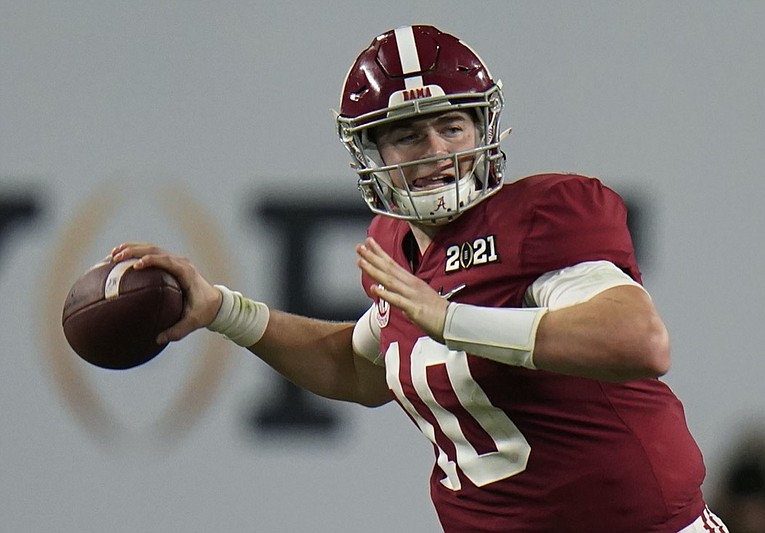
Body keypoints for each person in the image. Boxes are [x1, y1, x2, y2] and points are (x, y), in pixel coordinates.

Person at [111, 25, 728, 532]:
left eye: (452, 126)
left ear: (484, 131)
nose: (435, 149)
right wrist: (222, 308)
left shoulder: (542, 216)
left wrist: (450, 320)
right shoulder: (393, 246)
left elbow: (639, 342)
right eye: (406, 135)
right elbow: (357, 368)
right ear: (370, 157)